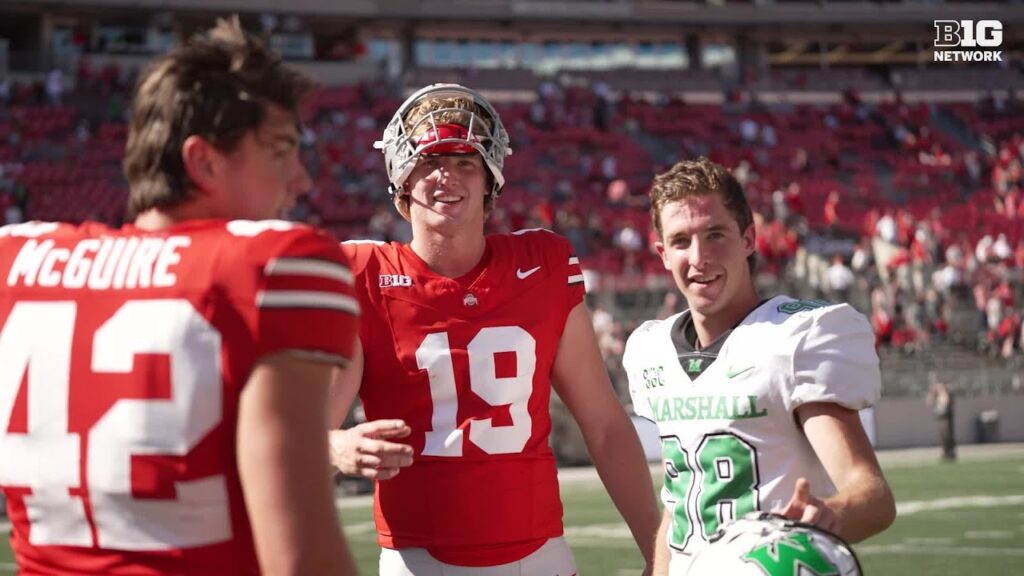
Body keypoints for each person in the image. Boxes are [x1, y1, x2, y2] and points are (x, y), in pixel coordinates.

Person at [0, 18, 360, 575]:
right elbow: (300, 559)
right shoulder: (274, 266)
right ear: (205, 161)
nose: (301, 179)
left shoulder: (15, 261)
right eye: (281, 150)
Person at [328, 83, 660, 575]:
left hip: (538, 557)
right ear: (401, 178)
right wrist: (336, 447)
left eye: (466, 161)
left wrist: (660, 552)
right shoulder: (366, 277)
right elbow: (309, 431)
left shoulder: (542, 265)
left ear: (490, 179)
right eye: (430, 160)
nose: (447, 175)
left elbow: (606, 424)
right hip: (416, 560)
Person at [622, 157, 895, 575]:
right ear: (662, 253)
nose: (699, 257)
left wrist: (830, 513)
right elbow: (679, 506)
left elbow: (872, 495)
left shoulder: (793, 337)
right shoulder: (651, 349)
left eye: (715, 235)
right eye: (681, 241)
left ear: (749, 238)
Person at [926, 372, 956, 461]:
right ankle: (946, 452)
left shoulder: (942, 387)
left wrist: (944, 407)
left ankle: (950, 452)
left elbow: (947, 399)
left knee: (947, 433)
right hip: (941, 414)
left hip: (945, 412)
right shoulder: (935, 389)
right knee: (943, 434)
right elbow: (929, 401)